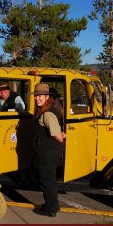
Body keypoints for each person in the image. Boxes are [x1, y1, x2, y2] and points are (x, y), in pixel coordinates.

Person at [32, 83, 67, 217]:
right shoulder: (45, 110)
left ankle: (51, 209)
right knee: (49, 181)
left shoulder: (47, 114)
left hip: (47, 153)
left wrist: (62, 136)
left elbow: (57, 136)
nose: (37, 99)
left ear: (47, 97)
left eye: (40, 96)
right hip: (47, 152)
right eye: (36, 96)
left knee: (47, 182)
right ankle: (53, 205)